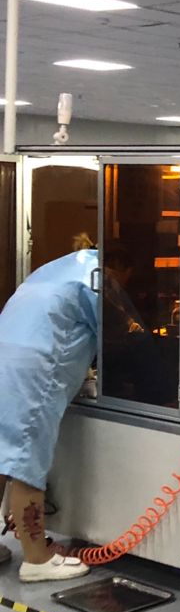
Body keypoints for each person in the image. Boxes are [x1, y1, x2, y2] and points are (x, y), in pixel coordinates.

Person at [0, 248, 98, 582]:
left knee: (3, 455)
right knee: (28, 463)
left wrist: (85, 374)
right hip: (35, 372)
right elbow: (120, 339)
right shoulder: (97, 278)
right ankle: (37, 559)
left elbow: (57, 324)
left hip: (7, 362)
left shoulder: (54, 269)